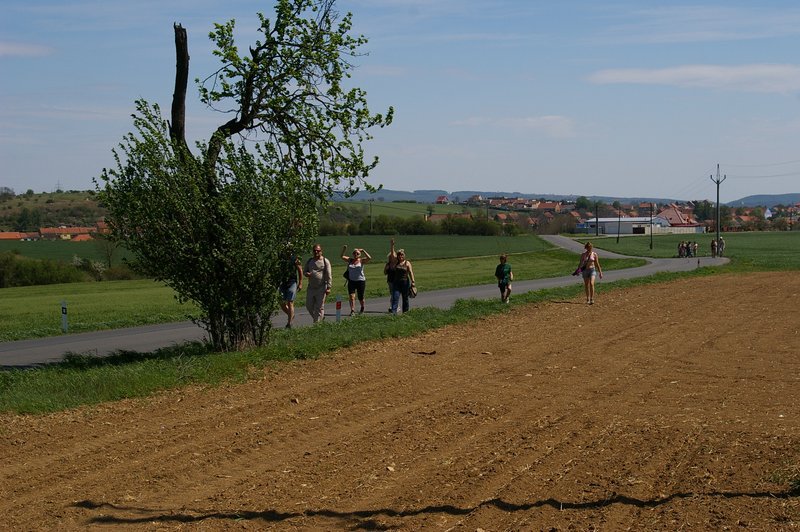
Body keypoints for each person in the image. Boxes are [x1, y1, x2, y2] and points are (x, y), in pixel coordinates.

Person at [341, 245, 372, 316]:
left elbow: (369, 258)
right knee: (352, 296)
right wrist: (344, 249)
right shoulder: (350, 260)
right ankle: (352, 310)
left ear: (360, 255)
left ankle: (362, 307)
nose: (356, 254)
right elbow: (342, 256)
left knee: (360, 297)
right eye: (354, 253)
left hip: (360, 281)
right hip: (351, 281)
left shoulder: (361, 260)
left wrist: (363, 250)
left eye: (357, 253)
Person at [303, 244, 331, 323]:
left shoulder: (325, 261)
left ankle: (317, 324)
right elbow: (304, 271)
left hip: (321, 287)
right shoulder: (309, 261)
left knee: (319, 307)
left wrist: (329, 287)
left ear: (321, 252)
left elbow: (329, 274)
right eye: (314, 251)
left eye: (318, 251)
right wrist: (306, 274)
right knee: (309, 306)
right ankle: (319, 318)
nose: (316, 252)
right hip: (311, 287)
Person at [279, 250, 302, 328]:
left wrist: (300, 282)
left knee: (290, 302)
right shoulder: (281, 258)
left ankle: (289, 323)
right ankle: (291, 314)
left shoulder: (294, 258)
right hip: (283, 283)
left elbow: (300, 269)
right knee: (281, 303)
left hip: (292, 282)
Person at [388, 248, 415, 315]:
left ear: (404, 256)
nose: (401, 256)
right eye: (399, 255)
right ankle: (394, 313)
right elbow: (392, 255)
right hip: (396, 282)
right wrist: (392, 245)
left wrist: (413, 281)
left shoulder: (407, 263)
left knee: (405, 298)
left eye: (402, 255)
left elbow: (410, 272)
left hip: (405, 282)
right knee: (395, 297)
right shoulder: (395, 262)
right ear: (397, 256)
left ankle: (405, 313)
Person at [384, 238, 398, 313]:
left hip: (397, 280)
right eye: (390, 257)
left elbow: (393, 254)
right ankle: (394, 306)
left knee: (395, 293)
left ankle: (393, 306)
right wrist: (386, 269)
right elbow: (385, 273)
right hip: (390, 280)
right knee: (392, 294)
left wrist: (392, 245)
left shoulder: (397, 263)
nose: (391, 257)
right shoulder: (388, 264)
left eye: (392, 257)